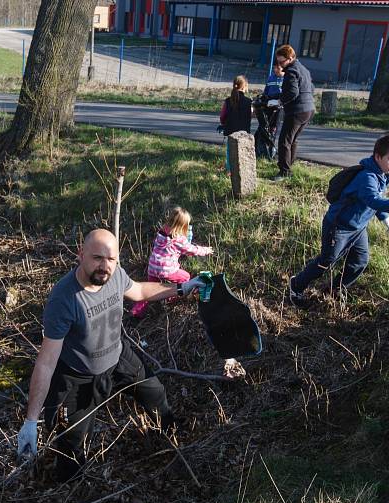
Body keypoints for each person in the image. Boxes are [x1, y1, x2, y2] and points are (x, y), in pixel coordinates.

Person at [16, 229, 206, 481]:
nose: (104, 266)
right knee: (72, 448)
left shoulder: (115, 275)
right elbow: (47, 361)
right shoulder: (63, 299)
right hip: (78, 377)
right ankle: (70, 496)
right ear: (80, 254)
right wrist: (30, 421)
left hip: (118, 358)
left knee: (156, 392)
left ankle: (172, 435)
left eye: (111, 259)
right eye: (97, 258)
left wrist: (183, 287)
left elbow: (139, 291)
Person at [288, 134, 389, 308]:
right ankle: (296, 285)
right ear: (378, 156)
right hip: (339, 226)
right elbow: (372, 199)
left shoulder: (385, 174)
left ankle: (334, 290)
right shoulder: (367, 177)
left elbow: (377, 199)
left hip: (358, 228)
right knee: (326, 261)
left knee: (359, 262)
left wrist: (384, 217)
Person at [131, 206, 213, 318]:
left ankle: (137, 311)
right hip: (166, 269)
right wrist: (206, 250)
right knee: (185, 277)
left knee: (149, 289)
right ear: (183, 226)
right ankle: (171, 298)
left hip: (153, 267)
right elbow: (191, 250)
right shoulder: (179, 239)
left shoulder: (162, 231)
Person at [273, 45, 315, 181]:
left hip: (297, 111)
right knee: (293, 140)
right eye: (278, 62)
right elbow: (311, 88)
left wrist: (281, 101)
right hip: (309, 109)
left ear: (290, 58)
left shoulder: (291, 71)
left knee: (284, 141)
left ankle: (284, 172)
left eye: (281, 61)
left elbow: (292, 92)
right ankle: (289, 165)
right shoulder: (304, 69)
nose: (280, 65)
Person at [219, 75, 253, 173]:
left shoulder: (228, 101)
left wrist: (224, 123)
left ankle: (229, 170)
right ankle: (242, 170)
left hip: (230, 129)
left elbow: (222, 116)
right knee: (242, 151)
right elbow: (251, 114)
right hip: (244, 131)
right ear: (244, 86)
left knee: (230, 151)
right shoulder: (249, 102)